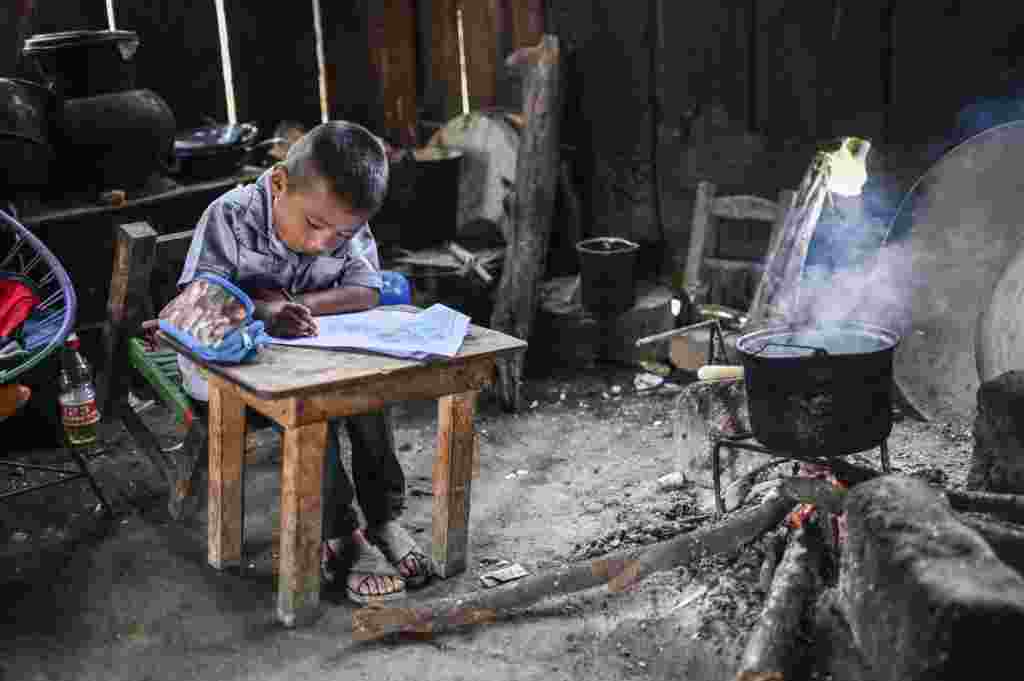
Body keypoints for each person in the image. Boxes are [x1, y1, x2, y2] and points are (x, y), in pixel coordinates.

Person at [173, 120, 430, 604]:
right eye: (314, 225)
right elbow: (200, 302)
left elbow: (368, 289)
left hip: (305, 353)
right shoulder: (229, 216)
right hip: (224, 373)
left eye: (341, 236)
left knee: (368, 394)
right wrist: (266, 310)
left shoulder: (340, 220)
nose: (322, 243)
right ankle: (342, 535)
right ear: (278, 184)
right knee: (318, 411)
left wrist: (299, 304)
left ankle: (384, 518)